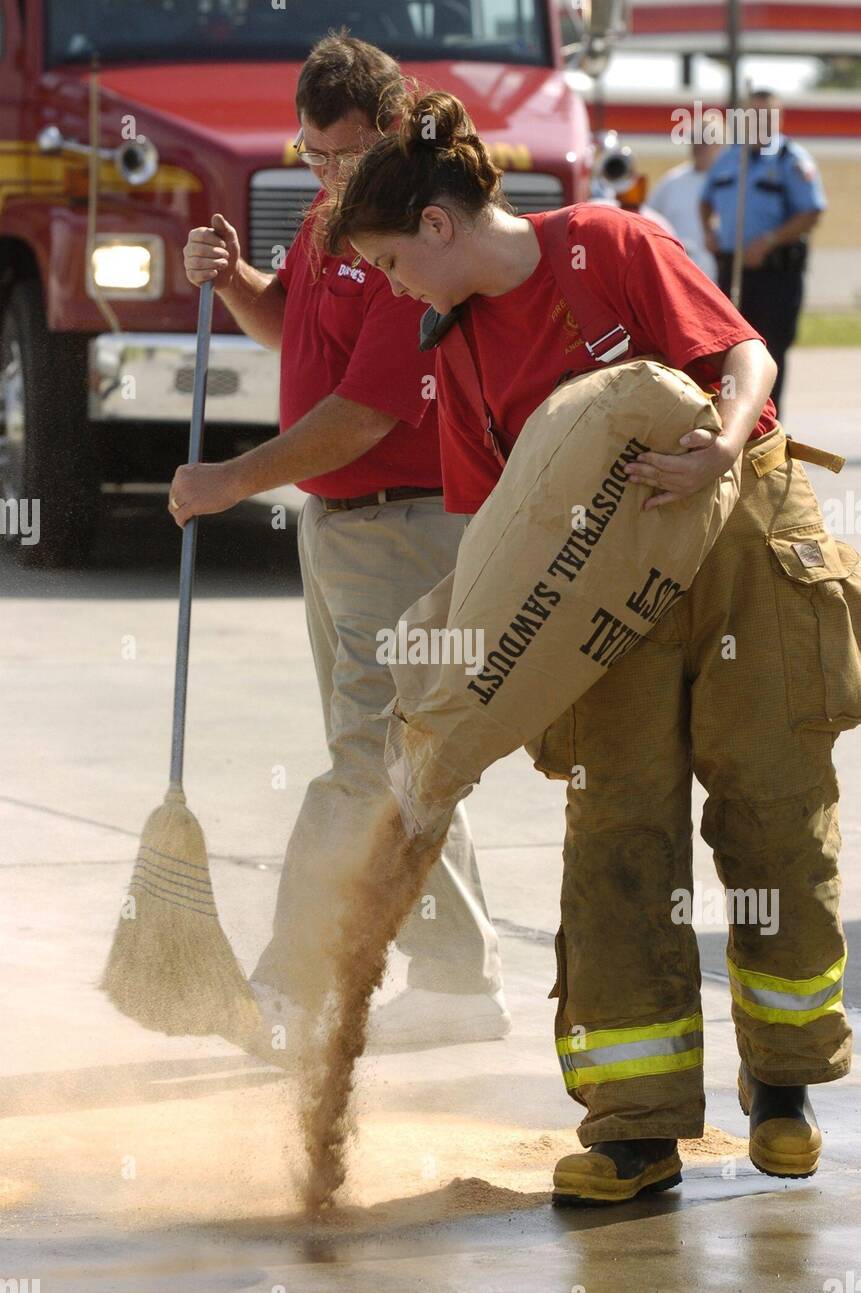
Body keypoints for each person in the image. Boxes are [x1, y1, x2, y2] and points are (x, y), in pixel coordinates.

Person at [324, 91, 855, 1204]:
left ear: (436, 224)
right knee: (618, 821)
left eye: (387, 260)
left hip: (744, 527)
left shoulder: (611, 243)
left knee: (772, 797)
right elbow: (496, 545)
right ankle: (634, 1129)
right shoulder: (459, 355)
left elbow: (745, 356)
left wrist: (715, 442)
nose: (390, 287)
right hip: (605, 592)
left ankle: (788, 1086)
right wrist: (452, 694)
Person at [172, 37, 508, 1052]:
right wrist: (236, 282)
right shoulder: (335, 218)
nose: (326, 175)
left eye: (345, 155)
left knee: (365, 763)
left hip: (408, 527)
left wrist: (232, 478)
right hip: (342, 530)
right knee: (398, 756)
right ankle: (454, 981)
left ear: (395, 129)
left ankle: (286, 985)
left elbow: (363, 412)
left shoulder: (413, 242)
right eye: (311, 155)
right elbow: (296, 335)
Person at [700, 89, 826, 414]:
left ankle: (767, 425)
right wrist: (709, 231)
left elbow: (811, 212)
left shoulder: (791, 160)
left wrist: (770, 240)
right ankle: (729, 421)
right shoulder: (730, 157)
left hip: (775, 275)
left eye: (767, 114)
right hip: (732, 270)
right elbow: (706, 198)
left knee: (770, 352)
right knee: (728, 349)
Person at [650, 120, 721, 280]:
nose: (699, 146)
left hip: (715, 274)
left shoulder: (728, 184)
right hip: (674, 270)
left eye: (705, 141)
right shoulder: (671, 181)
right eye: (695, 139)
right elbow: (649, 218)